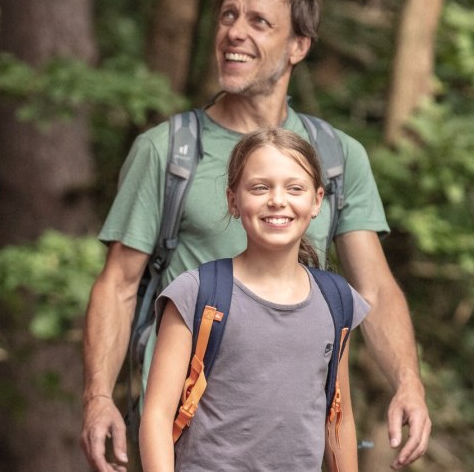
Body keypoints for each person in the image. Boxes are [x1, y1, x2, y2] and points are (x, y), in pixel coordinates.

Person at [80, 0, 431, 471]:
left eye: (259, 21)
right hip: (187, 440)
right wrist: (98, 397)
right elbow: (118, 284)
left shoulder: (337, 157)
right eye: (228, 15)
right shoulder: (168, 152)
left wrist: (408, 381)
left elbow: (373, 288)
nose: (234, 32)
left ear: (298, 46)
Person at [140, 129, 367, 472]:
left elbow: (339, 419)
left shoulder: (336, 300)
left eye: (295, 188)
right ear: (233, 200)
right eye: (260, 187)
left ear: (317, 201)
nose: (277, 200)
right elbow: (157, 416)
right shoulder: (197, 293)